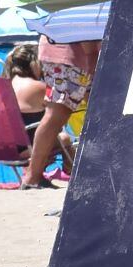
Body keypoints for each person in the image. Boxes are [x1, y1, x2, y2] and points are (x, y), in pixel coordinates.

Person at [22, 39, 98, 187]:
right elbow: (86, 28)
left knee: (95, 110)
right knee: (57, 113)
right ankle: (32, 177)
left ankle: (33, 176)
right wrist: (92, 56)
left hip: (60, 51)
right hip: (72, 55)